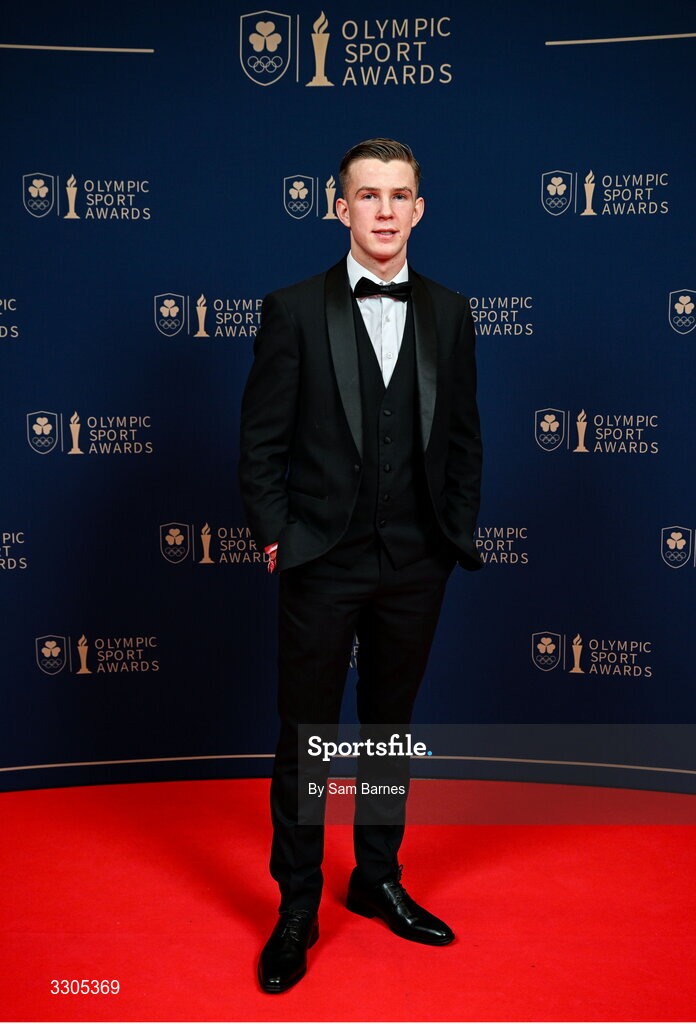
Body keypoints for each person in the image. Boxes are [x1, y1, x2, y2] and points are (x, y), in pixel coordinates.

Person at [239, 138, 483, 993]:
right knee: (307, 741)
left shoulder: (452, 313)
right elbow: (261, 442)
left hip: (417, 562)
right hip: (321, 559)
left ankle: (375, 876)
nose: (383, 209)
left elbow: (462, 442)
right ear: (338, 208)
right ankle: (297, 905)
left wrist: (452, 535)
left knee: (386, 730)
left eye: (399, 194)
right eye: (366, 194)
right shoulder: (295, 309)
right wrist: (278, 536)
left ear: (419, 208)